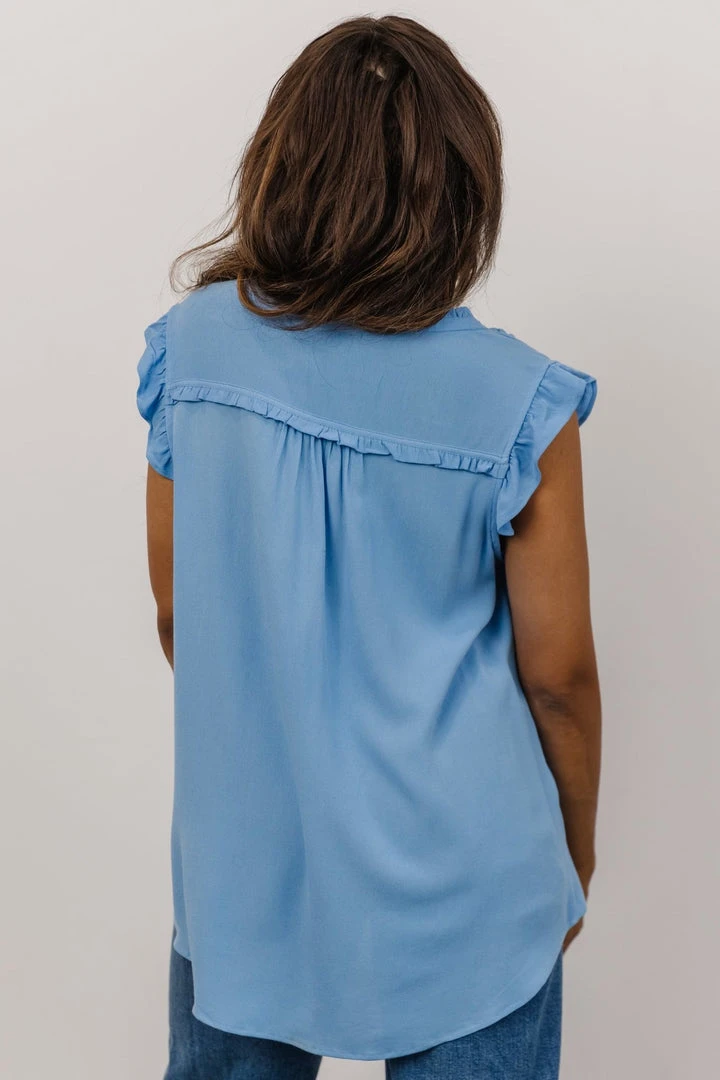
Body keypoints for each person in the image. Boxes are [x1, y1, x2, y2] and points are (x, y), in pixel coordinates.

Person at [136, 14, 601, 1079]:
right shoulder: (520, 402)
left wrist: (289, 742)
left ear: (282, 158)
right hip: (473, 892)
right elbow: (560, 680)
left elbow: (180, 613)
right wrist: (574, 852)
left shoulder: (189, 353)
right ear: (463, 185)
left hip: (245, 870)